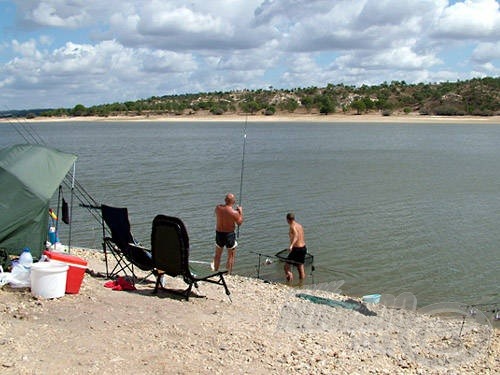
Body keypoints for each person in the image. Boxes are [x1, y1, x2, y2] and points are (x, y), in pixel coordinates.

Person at [212, 193, 244, 274]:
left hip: (219, 233)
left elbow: (222, 212)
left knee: (217, 255)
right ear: (233, 201)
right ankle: (228, 273)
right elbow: (239, 222)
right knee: (231, 255)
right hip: (229, 234)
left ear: (225, 200)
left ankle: (215, 271)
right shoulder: (234, 213)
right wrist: (240, 212)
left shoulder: (218, 208)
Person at [284, 212, 307, 282]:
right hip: (303, 248)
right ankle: (301, 284)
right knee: (300, 267)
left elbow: (296, 236)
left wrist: (291, 245)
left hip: (297, 249)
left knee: (286, 267)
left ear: (288, 219)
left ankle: (289, 281)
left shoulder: (292, 226)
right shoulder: (299, 225)